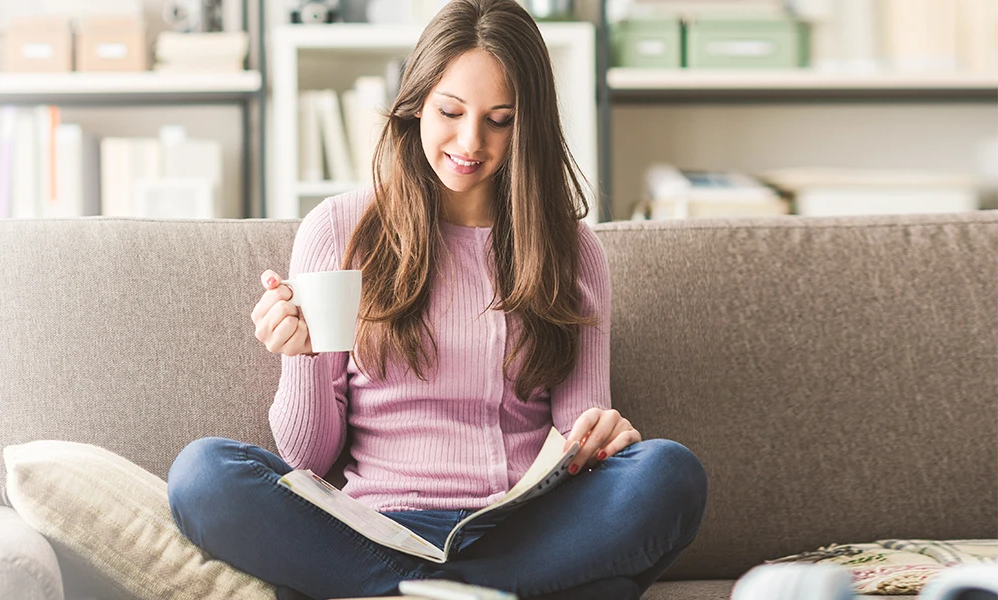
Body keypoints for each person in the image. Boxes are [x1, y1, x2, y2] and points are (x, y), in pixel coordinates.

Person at [167, 1, 708, 598]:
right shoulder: (340, 229)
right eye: (450, 111)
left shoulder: (570, 248)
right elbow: (310, 458)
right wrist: (299, 356)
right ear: (416, 101)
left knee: (669, 475)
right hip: (370, 529)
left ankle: (407, 592)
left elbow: (575, 445)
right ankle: (480, 592)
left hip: (519, 527)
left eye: (500, 120)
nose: (470, 141)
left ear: (527, 125)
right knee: (203, 476)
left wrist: (599, 438)